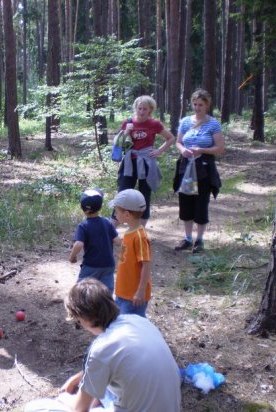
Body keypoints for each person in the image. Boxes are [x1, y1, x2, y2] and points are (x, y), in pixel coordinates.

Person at [59, 279, 181, 412]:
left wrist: (67, 400)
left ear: (83, 318)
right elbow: (118, 362)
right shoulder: (140, 321)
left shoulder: (102, 347)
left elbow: (80, 409)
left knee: (63, 401)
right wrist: (78, 378)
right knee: (104, 390)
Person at [112, 95, 175, 227]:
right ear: (136, 108)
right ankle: (112, 229)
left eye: (144, 109)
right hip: (130, 163)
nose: (141, 111)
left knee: (144, 195)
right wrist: (126, 131)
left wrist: (158, 151)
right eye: (139, 108)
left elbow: (170, 138)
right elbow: (119, 143)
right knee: (123, 193)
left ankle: (140, 230)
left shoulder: (154, 124)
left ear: (150, 110)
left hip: (146, 163)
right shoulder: (128, 122)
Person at [173, 89, 224, 253]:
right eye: (194, 104)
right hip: (185, 167)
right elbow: (178, 142)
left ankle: (199, 240)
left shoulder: (213, 124)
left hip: (204, 168)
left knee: (201, 203)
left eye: (200, 105)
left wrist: (201, 149)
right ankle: (187, 238)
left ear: (207, 105)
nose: (197, 107)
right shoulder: (185, 121)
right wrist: (183, 151)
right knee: (185, 202)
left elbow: (219, 148)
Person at [109, 189, 152, 317]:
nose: (115, 214)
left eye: (116, 211)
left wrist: (140, 291)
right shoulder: (130, 231)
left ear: (127, 214)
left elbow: (146, 264)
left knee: (132, 327)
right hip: (123, 292)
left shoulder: (140, 236)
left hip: (133, 296)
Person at [69, 189, 120, 292]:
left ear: (82, 207)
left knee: (82, 290)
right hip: (108, 264)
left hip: (91, 265)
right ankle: (105, 306)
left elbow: (79, 244)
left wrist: (72, 257)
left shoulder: (83, 225)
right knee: (106, 290)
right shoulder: (107, 222)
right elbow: (117, 241)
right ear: (100, 207)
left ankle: (83, 306)